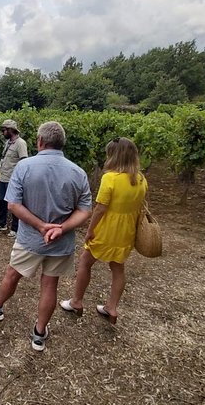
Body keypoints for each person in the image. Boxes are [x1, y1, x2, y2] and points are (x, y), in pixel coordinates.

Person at [0, 121, 92, 351]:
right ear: (62, 143)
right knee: (50, 285)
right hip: (61, 243)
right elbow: (84, 210)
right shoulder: (78, 172)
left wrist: (41, 226)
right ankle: (39, 333)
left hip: (30, 239)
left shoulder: (25, 167)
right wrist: (60, 228)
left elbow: (12, 205)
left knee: (13, 274)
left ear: (40, 142)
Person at [60, 137, 148, 324]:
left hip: (107, 230)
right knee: (118, 269)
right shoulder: (141, 179)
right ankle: (112, 307)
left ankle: (76, 301)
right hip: (126, 232)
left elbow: (100, 208)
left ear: (115, 156)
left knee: (85, 262)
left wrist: (90, 230)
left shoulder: (110, 178)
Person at [0, 119, 28, 238]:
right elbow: (4, 160)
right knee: (1, 201)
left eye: (4, 130)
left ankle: (15, 229)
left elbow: (23, 161)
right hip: (4, 177)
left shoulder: (20, 143)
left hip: (13, 179)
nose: (2, 132)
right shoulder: (8, 143)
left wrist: (19, 178)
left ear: (11, 130)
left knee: (14, 204)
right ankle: (2, 224)